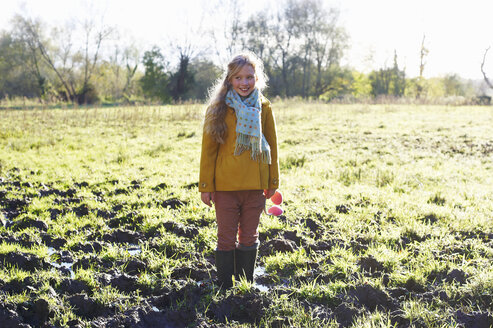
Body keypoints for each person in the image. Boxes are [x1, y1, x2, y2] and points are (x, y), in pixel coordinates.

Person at [199, 52, 279, 288]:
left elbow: (272, 146)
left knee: (249, 236)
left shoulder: (264, 107)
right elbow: (209, 150)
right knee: (225, 237)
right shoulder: (218, 108)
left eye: (249, 77)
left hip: (255, 185)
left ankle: (245, 285)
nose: (244, 83)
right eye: (238, 78)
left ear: (257, 78)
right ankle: (225, 286)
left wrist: (272, 181)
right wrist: (206, 186)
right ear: (229, 80)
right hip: (225, 186)